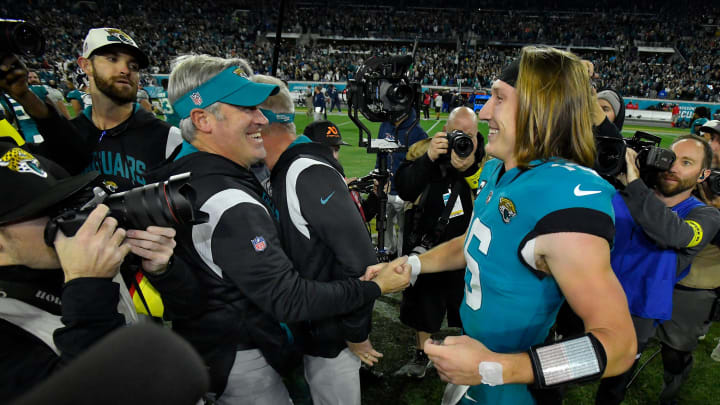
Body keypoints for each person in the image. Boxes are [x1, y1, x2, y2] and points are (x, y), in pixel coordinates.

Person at [147, 54, 410, 404]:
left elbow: (188, 294)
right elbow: (288, 298)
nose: (261, 117)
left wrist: (163, 270)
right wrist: (374, 288)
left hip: (215, 349)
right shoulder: (229, 198)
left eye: (261, 108)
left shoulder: (181, 176)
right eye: (247, 108)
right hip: (245, 355)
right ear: (202, 119)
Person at [379, 47, 636, 404]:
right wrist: (414, 265)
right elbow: (479, 240)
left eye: (499, 98)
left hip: (513, 386)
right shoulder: (498, 169)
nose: (484, 112)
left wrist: (495, 368)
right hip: (474, 364)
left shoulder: (565, 199)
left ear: (539, 108)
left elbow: (619, 345)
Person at [0, 144, 176, 401]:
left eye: (63, 202)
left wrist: (163, 272)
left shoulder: (77, 258)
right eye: (42, 211)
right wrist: (87, 288)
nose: (62, 217)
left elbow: (188, 311)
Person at [255, 74, 381, 405]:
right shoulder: (285, 170)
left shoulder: (306, 172)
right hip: (311, 328)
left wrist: (355, 333)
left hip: (330, 337)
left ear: (259, 123)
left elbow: (363, 263)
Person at [595, 134, 720, 405]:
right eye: (672, 159)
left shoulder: (706, 216)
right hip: (592, 296)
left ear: (703, 174)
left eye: (687, 163)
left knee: (614, 383)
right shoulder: (627, 192)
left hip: (638, 312)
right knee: (564, 370)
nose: (674, 167)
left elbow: (673, 234)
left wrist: (635, 184)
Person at [0, 27, 183, 191]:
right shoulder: (67, 138)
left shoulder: (169, 138)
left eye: (133, 66)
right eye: (112, 59)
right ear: (86, 65)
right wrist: (23, 94)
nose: (125, 70)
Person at [393, 106, 483, 379]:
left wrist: (470, 170)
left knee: (471, 306)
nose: (464, 139)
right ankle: (422, 354)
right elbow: (405, 187)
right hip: (428, 244)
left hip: (469, 251)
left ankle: (469, 355)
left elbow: (494, 195)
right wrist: (430, 157)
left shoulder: (488, 160)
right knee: (423, 304)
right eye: (459, 133)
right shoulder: (425, 151)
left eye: (471, 134)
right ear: (446, 130)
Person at [377, 108, 429, 258]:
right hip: (386, 189)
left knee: (404, 229)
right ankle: (388, 251)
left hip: (404, 192)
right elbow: (380, 154)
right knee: (384, 225)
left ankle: (401, 257)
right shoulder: (385, 125)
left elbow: (420, 165)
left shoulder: (417, 132)